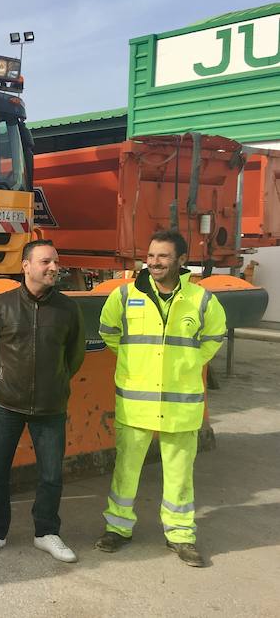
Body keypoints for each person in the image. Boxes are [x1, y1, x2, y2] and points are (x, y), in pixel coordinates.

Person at [95, 230, 226, 567]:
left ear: (181, 260)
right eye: (151, 256)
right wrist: (135, 364)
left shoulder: (201, 299)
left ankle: (180, 535)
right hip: (135, 404)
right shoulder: (124, 295)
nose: (154, 262)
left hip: (181, 407)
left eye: (163, 256)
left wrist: (190, 363)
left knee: (180, 476)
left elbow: (214, 336)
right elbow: (109, 332)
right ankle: (117, 528)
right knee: (125, 472)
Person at [0, 240, 86, 562]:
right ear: (26, 265)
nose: (54, 268)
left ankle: (46, 532)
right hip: (6, 405)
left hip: (50, 407)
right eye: (46, 261)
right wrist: (1, 380)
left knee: (51, 475)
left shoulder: (68, 309)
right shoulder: (1, 305)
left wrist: (57, 381)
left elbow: (75, 355)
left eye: (56, 262)